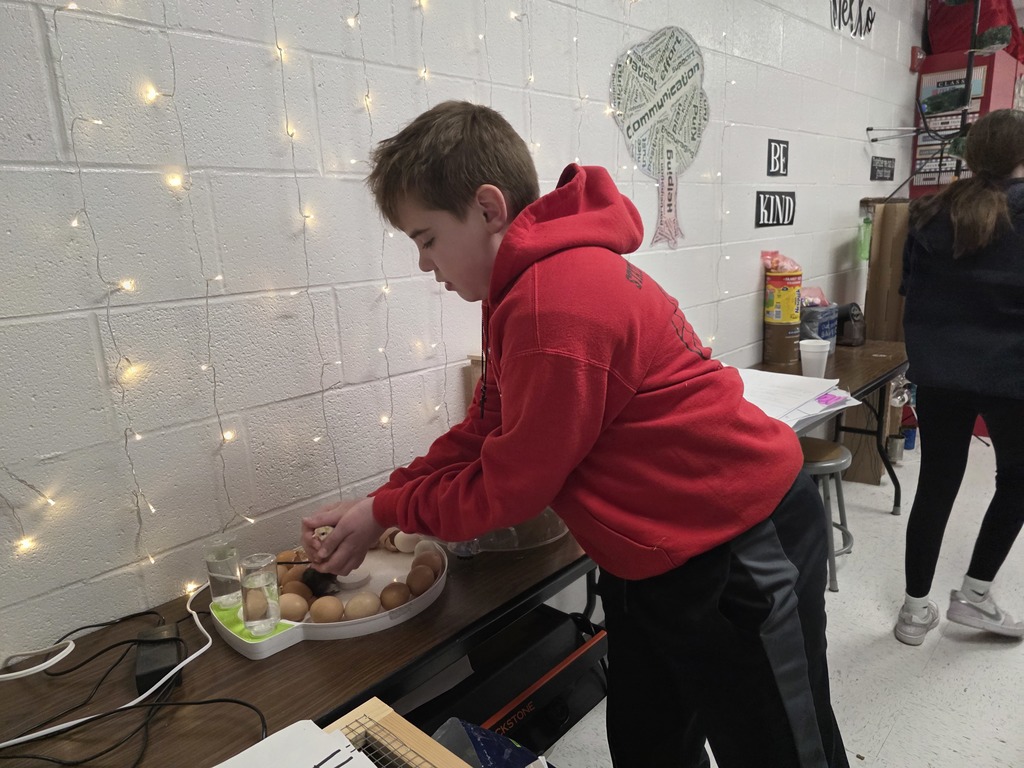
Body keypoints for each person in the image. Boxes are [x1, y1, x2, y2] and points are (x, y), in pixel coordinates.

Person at [301, 100, 849, 768]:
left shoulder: (550, 303)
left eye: (425, 239)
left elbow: (508, 490)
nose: (424, 265)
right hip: (650, 557)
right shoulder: (520, 291)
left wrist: (388, 509)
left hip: (740, 543)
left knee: (781, 750)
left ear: (487, 207)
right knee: (651, 741)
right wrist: (379, 502)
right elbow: (486, 431)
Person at [893, 108, 1024, 646]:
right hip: (1012, 374)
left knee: (937, 482)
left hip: (939, 369)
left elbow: (909, 291)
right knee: (1018, 480)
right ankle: (974, 596)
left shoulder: (927, 213)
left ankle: (913, 610)